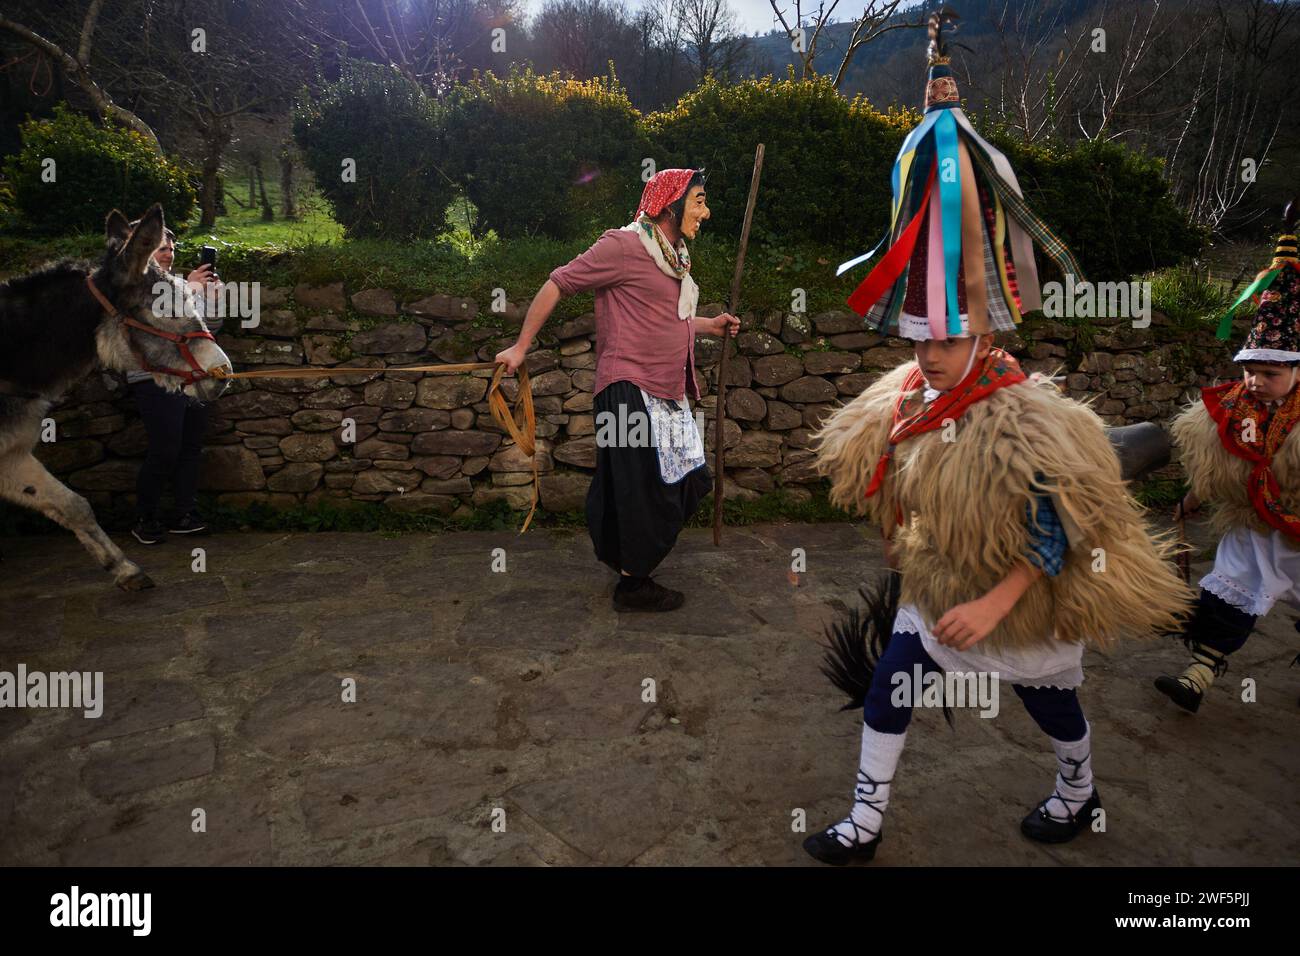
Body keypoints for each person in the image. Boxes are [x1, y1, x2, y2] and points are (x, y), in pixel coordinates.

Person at [801, 16, 1193, 866]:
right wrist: (905, 540)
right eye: (917, 342)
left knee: (1049, 705)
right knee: (889, 691)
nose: (926, 357)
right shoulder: (906, 396)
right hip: (940, 588)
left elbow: (1059, 530)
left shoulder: (1032, 421)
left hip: (1023, 602)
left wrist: (994, 601)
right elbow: (892, 480)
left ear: (982, 333)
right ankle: (864, 822)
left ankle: (1080, 795)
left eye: (942, 343)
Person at [495, 169, 739, 612]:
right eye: (699, 200)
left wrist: (709, 324)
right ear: (670, 204)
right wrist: (521, 346)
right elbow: (559, 282)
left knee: (689, 478)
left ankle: (626, 560)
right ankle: (633, 583)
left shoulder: (673, 255)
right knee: (638, 485)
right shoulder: (623, 246)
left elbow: (667, 319)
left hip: (666, 391)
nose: (706, 211)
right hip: (627, 388)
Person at [1158, 212, 1300, 713]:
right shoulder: (1230, 410)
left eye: (1270, 374)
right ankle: (1197, 677)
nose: (1257, 382)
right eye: (1251, 372)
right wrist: (1192, 499)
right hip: (1252, 528)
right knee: (1228, 596)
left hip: (1299, 533)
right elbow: (1221, 471)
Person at [129, 229, 222, 544]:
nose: (168, 254)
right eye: (160, 249)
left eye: (170, 248)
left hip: (192, 375)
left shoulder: (181, 284)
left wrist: (210, 300)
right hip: (156, 376)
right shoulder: (135, 284)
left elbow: (208, 329)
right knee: (165, 448)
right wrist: (190, 289)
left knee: (190, 447)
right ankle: (145, 517)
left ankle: (184, 514)